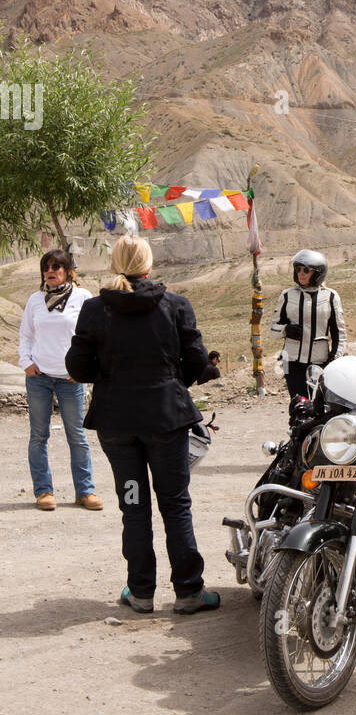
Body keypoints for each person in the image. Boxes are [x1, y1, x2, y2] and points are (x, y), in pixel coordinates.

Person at [66, 236, 220, 615]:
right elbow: (197, 361)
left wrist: (108, 375)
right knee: (175, 503)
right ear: (149, 265)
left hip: (117, 425)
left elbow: (78, 367)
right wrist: (170, 382)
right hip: (166, 420)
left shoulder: (94, 309)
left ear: (115, 263)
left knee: (133, 505)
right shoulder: (175, 306)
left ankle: (140, 592)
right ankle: (188, 592)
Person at [18, 249, 103, 511]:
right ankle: (43, 491)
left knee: (77, 436)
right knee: (38, 436)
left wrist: (84, 369)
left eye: (57, 267)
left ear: (68, 271)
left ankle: (85, 492)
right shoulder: (35, 300)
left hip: (71, 380)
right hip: (40, 378)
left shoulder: (83, 298)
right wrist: (27, 363)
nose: (51, 271)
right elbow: (26, 335)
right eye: (46, 267)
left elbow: (95, 337)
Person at [270, 249, 347, 398]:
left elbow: (340, 333)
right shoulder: (287, 295)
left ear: (318, 273)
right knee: (298, 404)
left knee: (321, 404)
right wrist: (286, 329)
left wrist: (334, 358)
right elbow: (273, 329)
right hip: (290, 361)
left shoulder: (331, 296)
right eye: (298, 269)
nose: (301, 273)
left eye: (306, 270)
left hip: (320, 361)